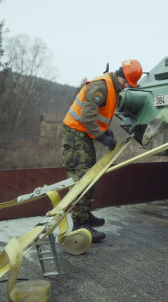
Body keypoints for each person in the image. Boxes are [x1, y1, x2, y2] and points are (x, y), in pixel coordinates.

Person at [61, 59, 143, 242]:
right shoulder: (101, 86)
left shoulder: (114, 89)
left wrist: (106, 131)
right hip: (75, 133)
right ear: (121, 75)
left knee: (91, 175)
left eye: (130, 84)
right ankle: (80, 225)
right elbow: (87, 117)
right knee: (82, 178)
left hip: (83, 134)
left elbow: (100, 115)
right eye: (126, 82)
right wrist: (102, 136)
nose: (127, 86)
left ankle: (85, 215)